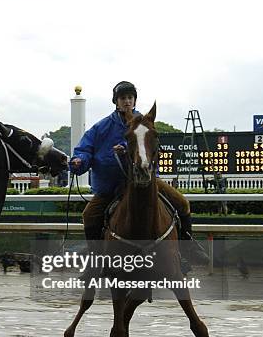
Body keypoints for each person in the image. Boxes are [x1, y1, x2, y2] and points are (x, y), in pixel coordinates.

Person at [70, 81, 208, 264]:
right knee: (89, 215)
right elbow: (85, 149)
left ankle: (187, 247)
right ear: (116, 102)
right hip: (110, 185)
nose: (127, 101)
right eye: (123, 98)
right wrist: (79, 160)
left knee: (182, 203)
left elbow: (148, 144)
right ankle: (95, 259)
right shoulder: (100, 127)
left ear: (134, 101)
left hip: (145, 180)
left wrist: (127, 148)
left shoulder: (145, 123)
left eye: (130, 98)